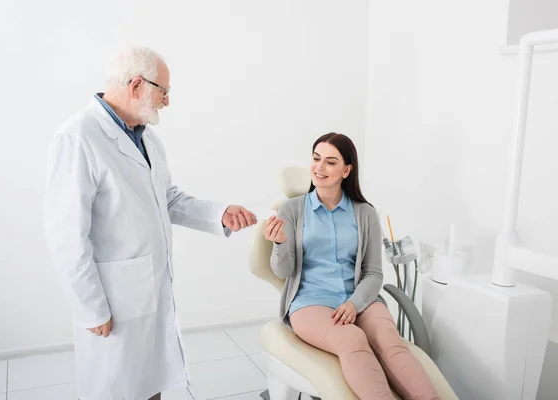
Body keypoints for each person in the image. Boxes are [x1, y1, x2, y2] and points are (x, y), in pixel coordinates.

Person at [44, 46, 257, 400]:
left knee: (148, 386)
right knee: (116, 388)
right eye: (165, 92)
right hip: (112, 298)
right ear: (137, 85)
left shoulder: (146, 138)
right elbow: (66, 236)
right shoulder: (78, 137)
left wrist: (217, 213)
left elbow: (167, 198)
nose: (167, 102)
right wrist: (90, 307)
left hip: (146, 292)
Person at [263, 133, 440, 399]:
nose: (319, 167)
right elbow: (283, 271)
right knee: (353, 340)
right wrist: (279, 243)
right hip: (311, 302)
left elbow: (373, 273)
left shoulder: (365, 213)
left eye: (330, 162)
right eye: (316, 158)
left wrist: (354, 304)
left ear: (347, 170)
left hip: (360, 298)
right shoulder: (292, 209)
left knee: (392, 344)